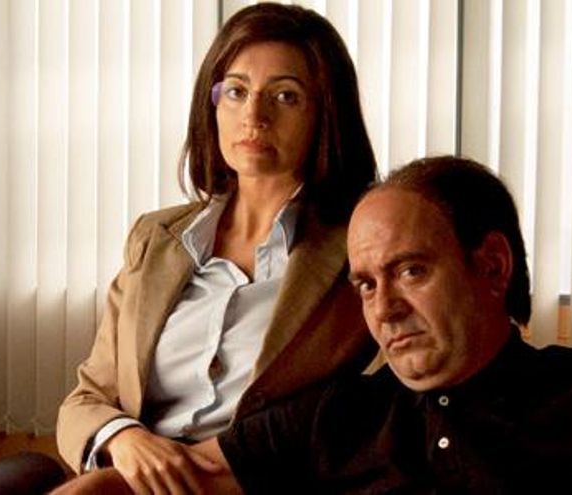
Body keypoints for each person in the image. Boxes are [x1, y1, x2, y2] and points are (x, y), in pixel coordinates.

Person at [127, 155, 572, 493]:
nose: (384, 307)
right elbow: (160, 480)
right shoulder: (336, 416)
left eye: (411, 271)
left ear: (492, 265)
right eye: (366, 284)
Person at [54, 3, 377, 493]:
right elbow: (87, 399)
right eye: (236, 91)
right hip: (136, 475)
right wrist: (124, 438)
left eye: (285, 96)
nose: (254, 116)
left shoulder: (360, 245)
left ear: (325, 114)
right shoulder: (155, 238)